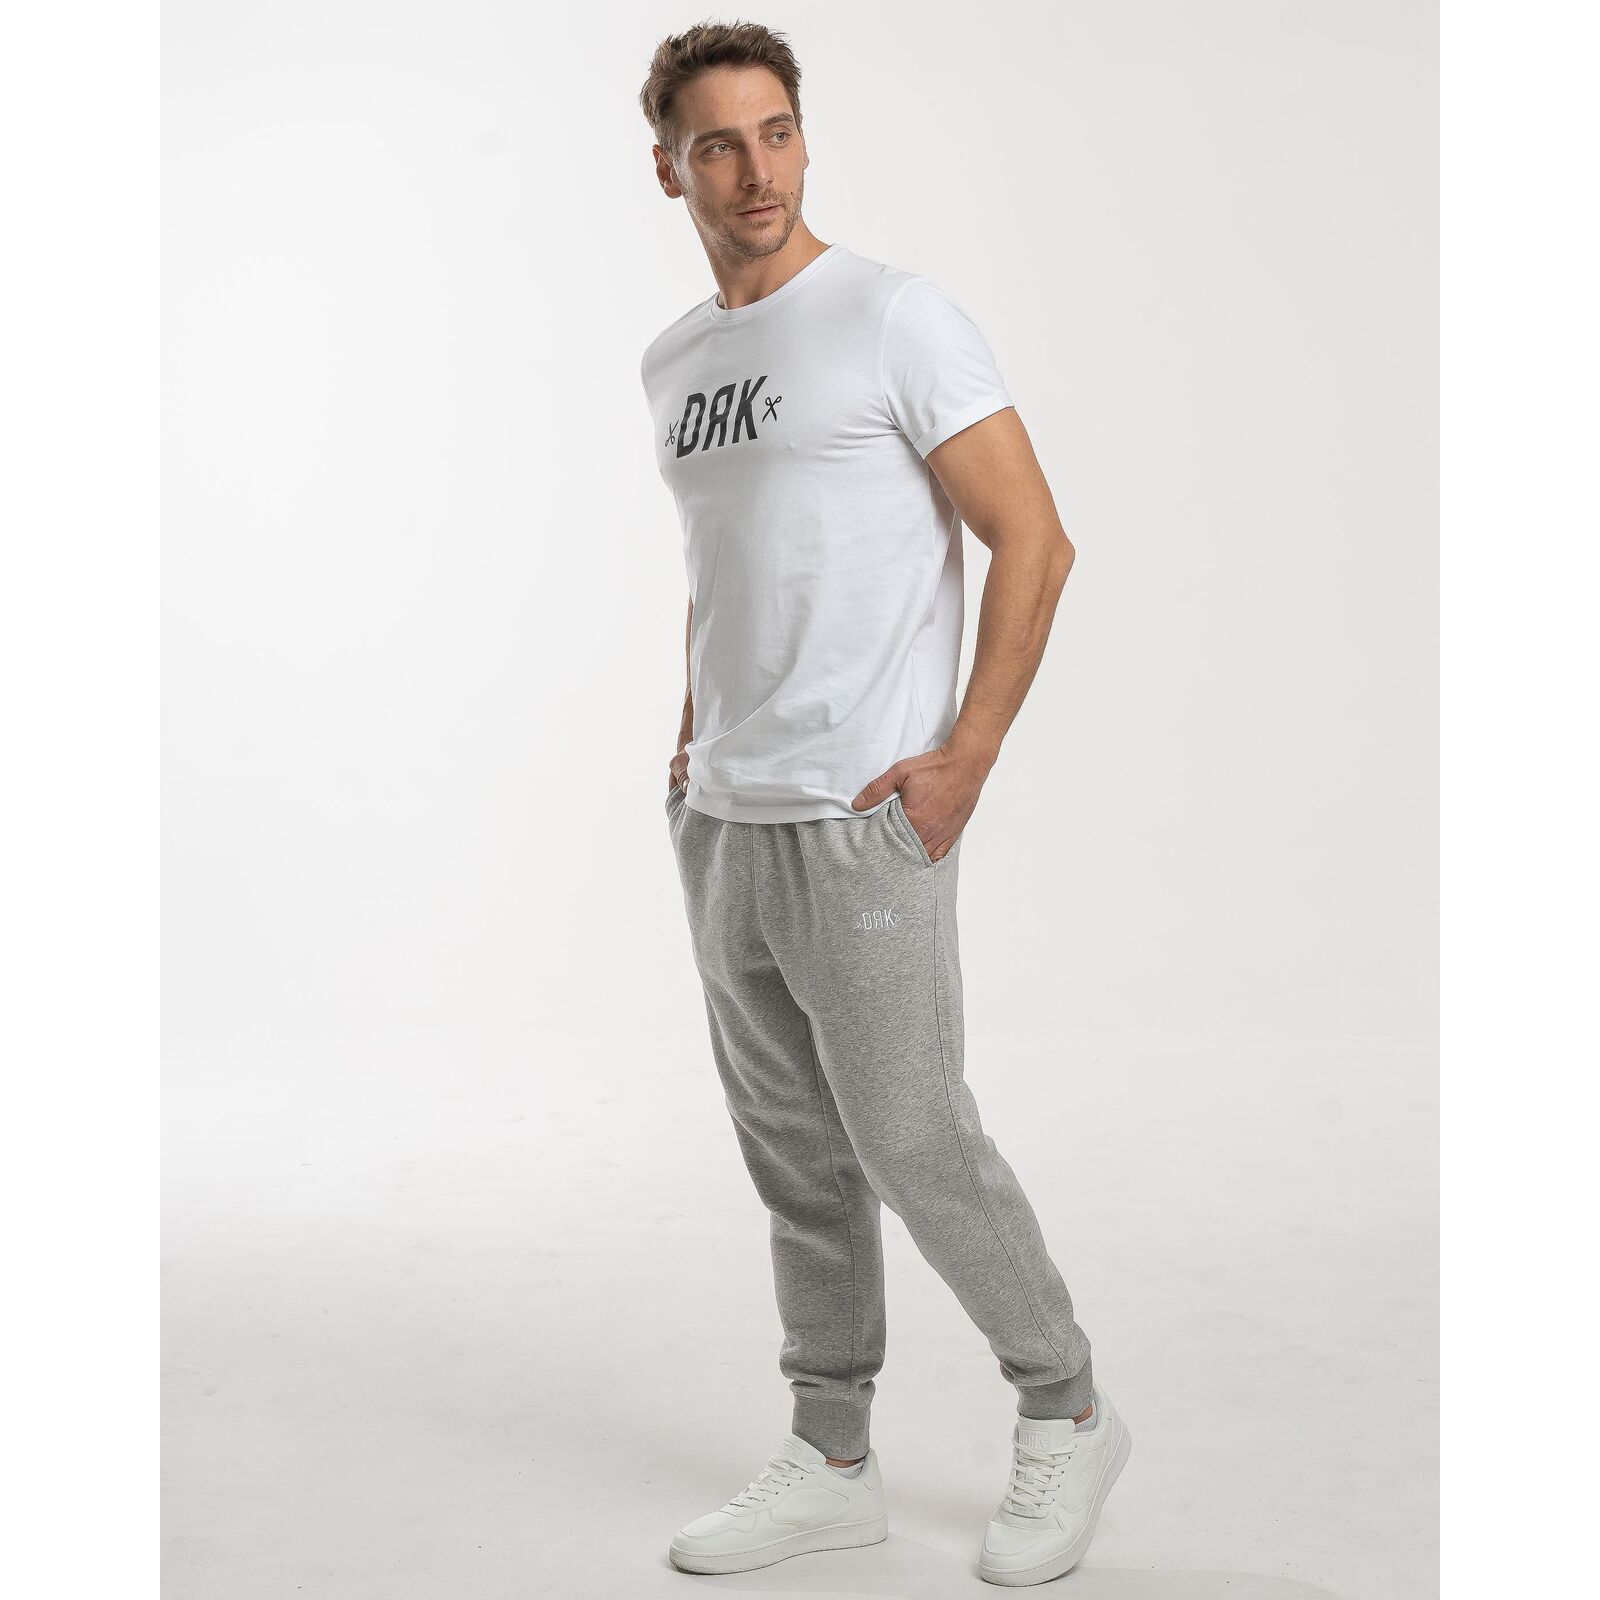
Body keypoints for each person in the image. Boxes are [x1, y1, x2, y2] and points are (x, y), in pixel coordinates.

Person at [637, 21, 1131, 1587]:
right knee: (797, 1161)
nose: (756, 169)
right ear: (668, 170)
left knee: (914, 1137)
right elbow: (732, 562)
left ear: (803, 138)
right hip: (726, 821)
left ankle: (1067, 1408)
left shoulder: (894, 318)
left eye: (777, 132)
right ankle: (833, 1456)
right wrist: (693, 735)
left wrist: (966, 756)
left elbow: (1034, 539)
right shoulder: (674, 362)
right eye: (720, 144)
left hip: (865, 817)